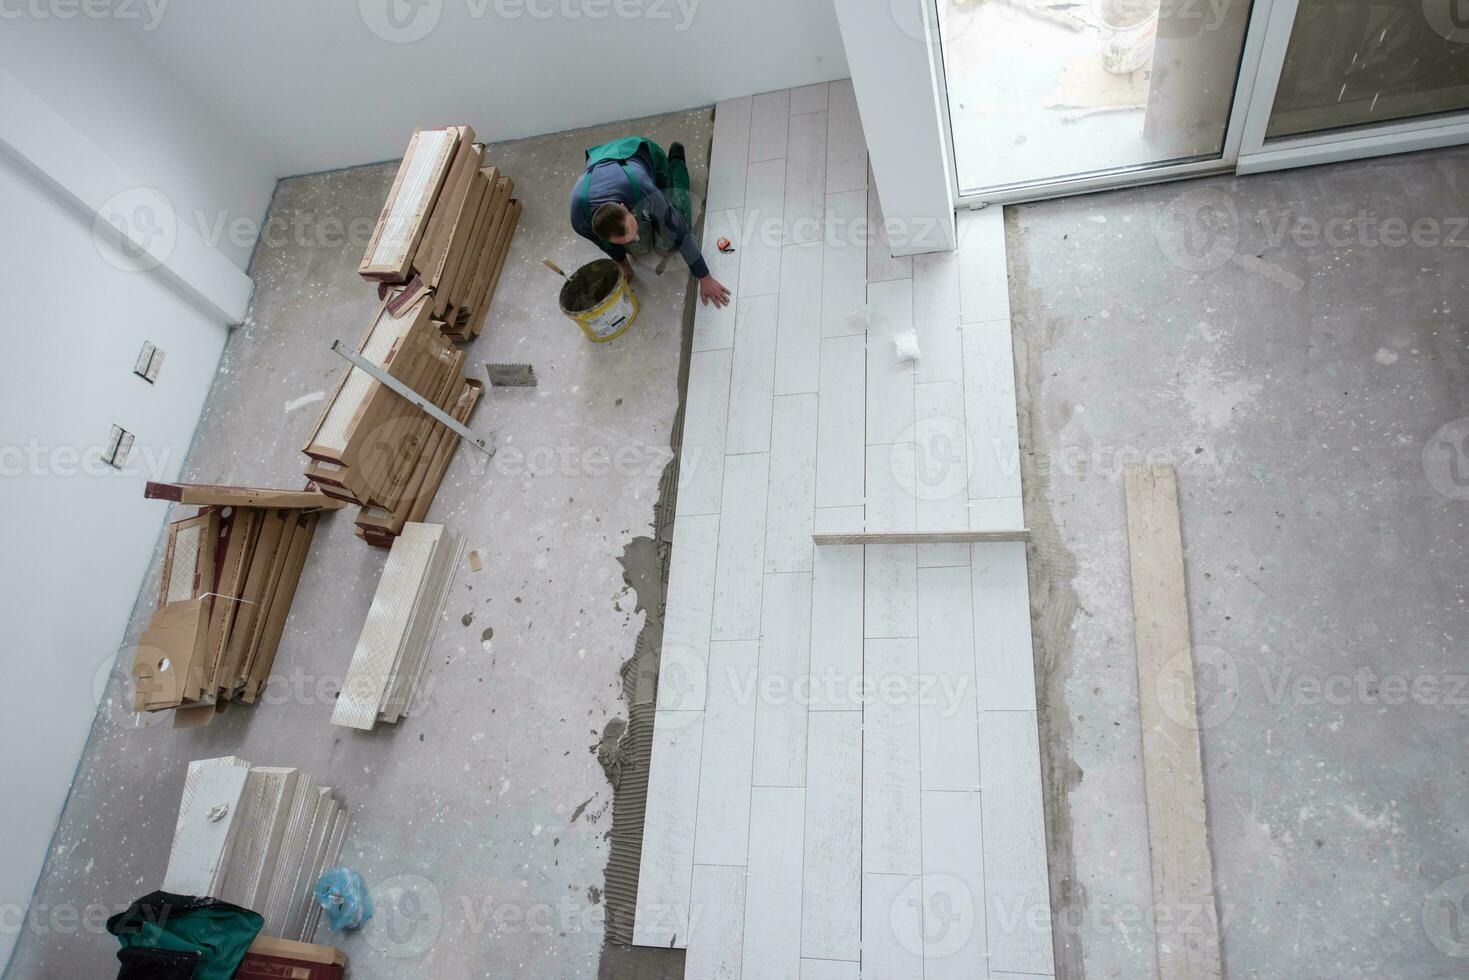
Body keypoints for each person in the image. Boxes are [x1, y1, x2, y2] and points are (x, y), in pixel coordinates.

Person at [569, 136, 731, 308]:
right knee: (642, 248)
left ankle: (676, 162)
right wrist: (624, 266)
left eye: (635, 229)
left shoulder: (642, 186)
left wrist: (705, 278)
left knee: (675, 220)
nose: (637, 236)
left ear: (625, 207)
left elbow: (680, 233)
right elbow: (606, 245)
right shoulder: (580, 220)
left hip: (640, 153)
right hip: (602, 165)